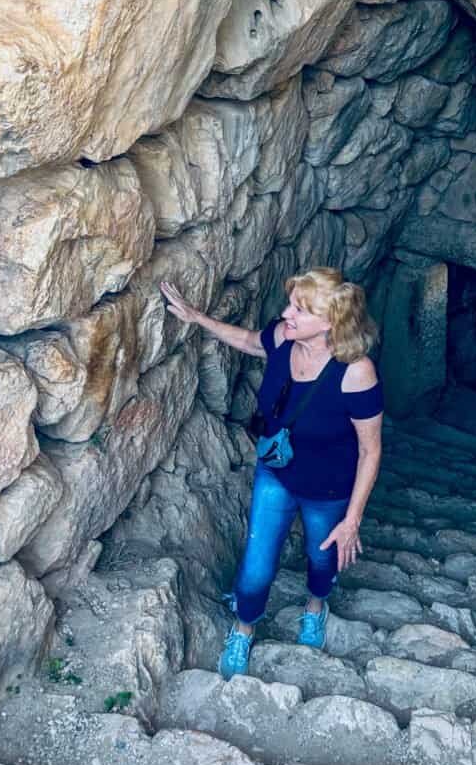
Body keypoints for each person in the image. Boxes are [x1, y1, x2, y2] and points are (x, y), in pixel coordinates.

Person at [160, 267, 384, 680]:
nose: (286, 313)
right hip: (277, 473)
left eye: (300, 308)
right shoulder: (284, 338)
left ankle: (316, 607)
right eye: (290, 304)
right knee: (256, 565)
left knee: (321, 561)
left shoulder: (356, 372)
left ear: (330, 322)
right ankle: (244, 628)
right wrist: (197, 318)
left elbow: (370, 450)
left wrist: (352, 521)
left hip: (329, 488)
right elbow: (249, 341)